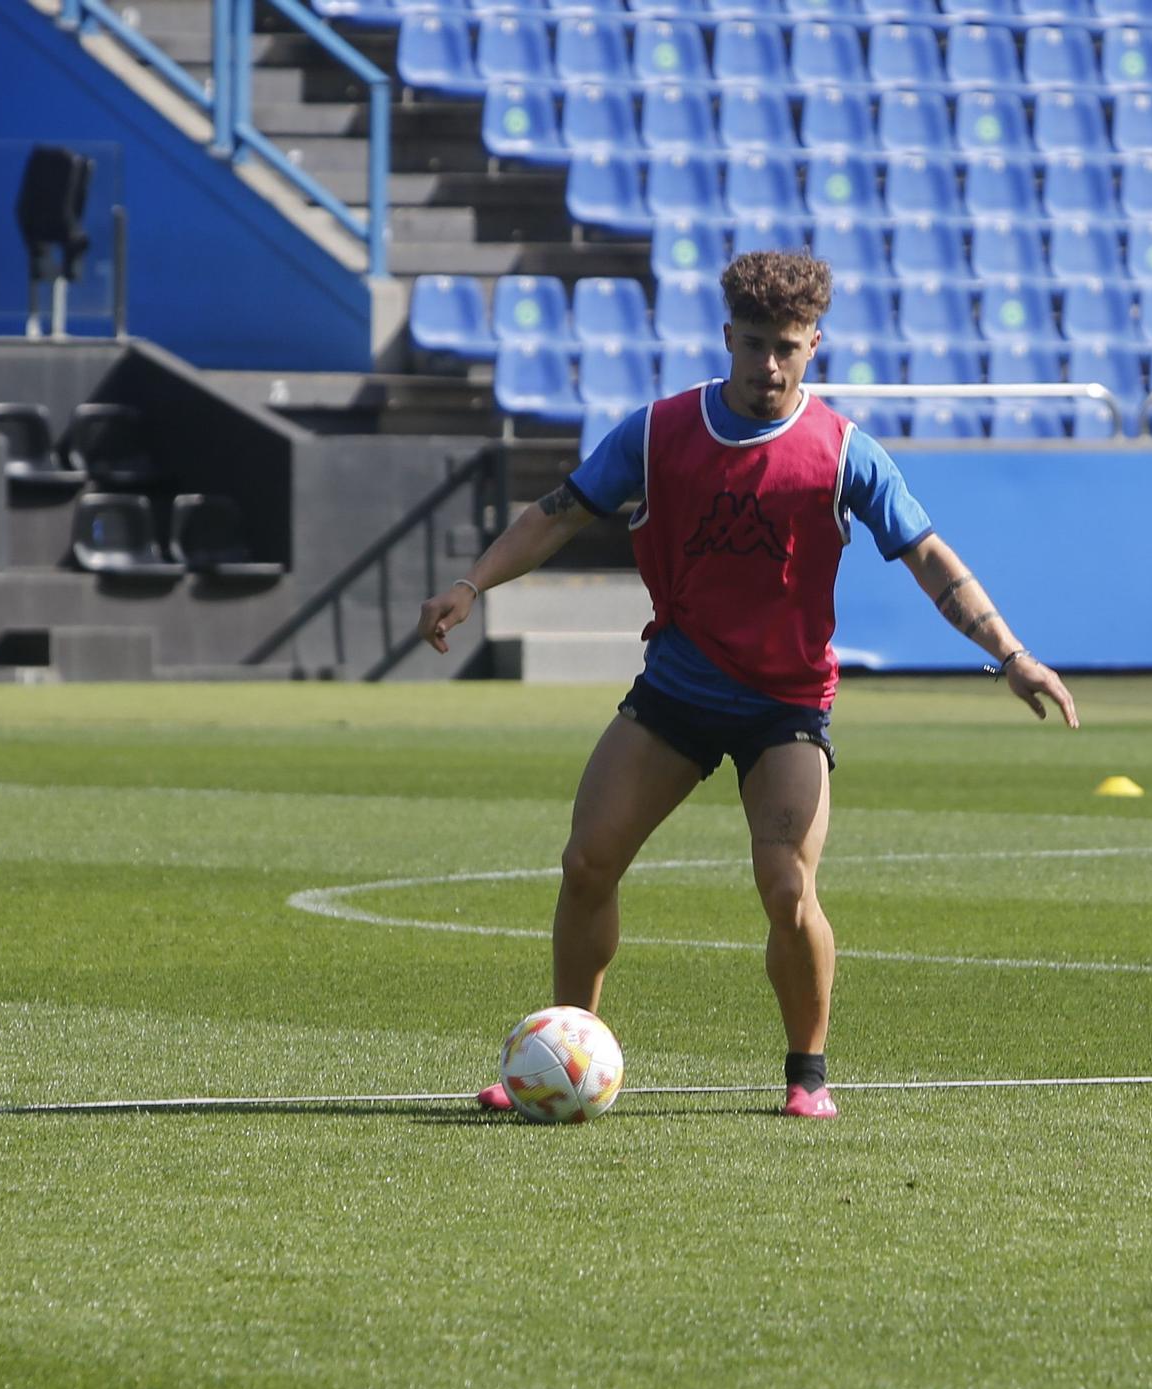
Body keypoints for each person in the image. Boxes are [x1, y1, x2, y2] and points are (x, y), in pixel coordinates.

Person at [417, 253, 1074, 1120]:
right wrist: (473, 585)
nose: (770, 365)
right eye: (755, 344)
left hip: (786, 708)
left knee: (787, 889)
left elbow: (930, 557)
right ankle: (559, 1049)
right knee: (586, 863)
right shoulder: (657, 433)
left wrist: (1011, 652)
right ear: (728, 337)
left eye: (789, 348)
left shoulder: (844, 453)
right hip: (678, 692)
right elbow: (558, 513)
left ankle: (807, 1074)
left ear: (815, 347)